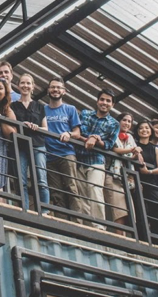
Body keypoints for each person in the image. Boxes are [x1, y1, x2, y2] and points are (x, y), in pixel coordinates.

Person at [77, 89, 119, 224]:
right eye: (102, 99)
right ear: (97, 101)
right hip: (79, 158)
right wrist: (93, 137)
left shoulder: (114, 124)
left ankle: (99, 226)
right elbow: (81, 131)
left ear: (112, 105)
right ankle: (85, 225)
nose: (104, 103)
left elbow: (108, 144)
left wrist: (95, 139)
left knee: (95, 192)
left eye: (108, 101)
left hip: (96, 160)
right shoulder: (85, 114)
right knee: (81, 194)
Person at [44, 78, 83, 217]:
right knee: (56, 192)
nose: (55, 90)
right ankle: (63, 222)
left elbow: (78, 133)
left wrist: (69, 133)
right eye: (53, 87)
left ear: (64, 91)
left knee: (71, 188)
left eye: (59, 88)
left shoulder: (70, 109)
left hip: (66, 153)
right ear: (48, 90)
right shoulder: (43, 109)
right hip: (48, 156)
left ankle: (77, 222)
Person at [12, 73, 48, 212]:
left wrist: (36, 127)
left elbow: (46, 128)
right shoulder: (13, 106)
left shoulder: (40, 107)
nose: (25, 86)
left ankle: (44, 211)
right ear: (18, 85)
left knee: (41, 179)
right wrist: (23, 123)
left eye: (28, 83)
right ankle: (24, 210)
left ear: (33, 87)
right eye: (22, 83)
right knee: (21, 181)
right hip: (20, 145)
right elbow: (12, 124)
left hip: (38, 144)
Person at [105, 112, 138, 232]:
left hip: (127, 178)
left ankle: (127, 238)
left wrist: (137, 152)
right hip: (113, 176)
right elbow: (115, 149)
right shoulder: (113, 133)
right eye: (124, 120)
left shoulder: (130, 138)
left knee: (130, 211)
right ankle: (120, 237)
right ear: (118, 121)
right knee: (119, 211)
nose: (127, 123)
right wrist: (131, 149)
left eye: (129, 121)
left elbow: (134, 157)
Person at [134, 120, 158, 239]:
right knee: (141, 211)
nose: (144, 130)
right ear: (137, 132)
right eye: (141, 128)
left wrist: (149, 171)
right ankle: (142, 238)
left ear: (150, 131)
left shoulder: (155, 149)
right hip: (138, 182)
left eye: (147, 128)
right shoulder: (135, 145)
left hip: (152, 182)